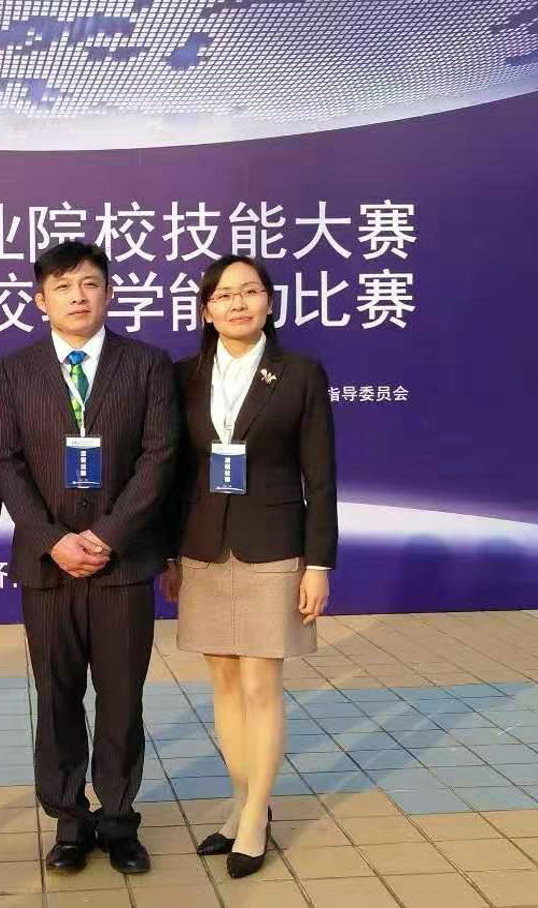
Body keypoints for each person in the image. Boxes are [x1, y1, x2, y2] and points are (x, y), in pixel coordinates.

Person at [0, 240, 179, 875]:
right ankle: (69, 822)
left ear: (109, 293)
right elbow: (4, 462)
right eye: (63, 286)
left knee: (122, 699)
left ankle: (120, 821)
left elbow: (159, 457)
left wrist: (108, 535)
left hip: (121, 565)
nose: (78, 296)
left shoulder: (146, 364)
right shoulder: (12, 372)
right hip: (48, 568)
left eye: (91, 283)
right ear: (39, 300)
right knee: (57, 697)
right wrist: (51, 538)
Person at [158, 254, 338, 879]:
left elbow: (321, 477)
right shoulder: (183, 376)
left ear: (268, 302)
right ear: (206, 310)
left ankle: (256, 816)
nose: (238, 304)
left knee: (261, 685)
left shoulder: (300, 374)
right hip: (203, 548)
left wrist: (318, 563)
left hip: (273, 548)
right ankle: (241, 802)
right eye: (224, 295)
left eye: (250, 291)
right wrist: (169, 554)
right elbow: (174, 474)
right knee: (225, 683)